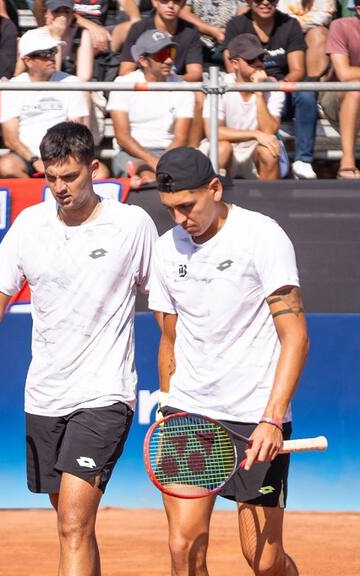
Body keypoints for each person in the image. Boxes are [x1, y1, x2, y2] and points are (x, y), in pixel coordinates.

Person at [0, 121, 156, 575]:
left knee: (74, 524)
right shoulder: (30, 224)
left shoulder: (131, 224)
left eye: (70, 177)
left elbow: (164, 306)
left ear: (94, 169)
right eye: (51, 177)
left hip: (104, 394)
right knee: (71, 525)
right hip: (44, 396)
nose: (59, 188)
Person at [149, 146, 309, 576]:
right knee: (184, 548)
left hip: (254, 416)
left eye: (188, 205)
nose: (181, 219)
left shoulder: (262, 235)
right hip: (189, 415)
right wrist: (167, 403)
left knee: (263, 560)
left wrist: (272, 418)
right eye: (170, 209)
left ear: (215, 188)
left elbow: (295, 337)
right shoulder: (165, 251)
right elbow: (170, 338)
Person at [224, 0, 318, 180]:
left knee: (306, 93)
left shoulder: (290, 24)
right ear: (249, 1)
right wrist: (257, 86)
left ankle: (303, 161)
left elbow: (298, 70)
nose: (266, 2)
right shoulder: (236, 24)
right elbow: (232, 68)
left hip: (280, 86)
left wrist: (274, 88)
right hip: (247, 87)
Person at [0, 28, 90, 178]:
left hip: (64, 155)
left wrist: (59, 159)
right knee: (7, 166)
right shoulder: (12, 87)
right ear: (28, 60)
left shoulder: (72, 82)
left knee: (100, 173)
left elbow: (77, 131)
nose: (52, 57)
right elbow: (10, 139)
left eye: (53, 51)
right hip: (26, 157)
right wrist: (34, 159)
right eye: (45, 54)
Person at [107, 29, 194, 181]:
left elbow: (180, 138)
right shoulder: (123, 84)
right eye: (161, 55)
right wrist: (153, 161)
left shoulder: (184, 87)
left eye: (171, 53)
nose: (168, 60)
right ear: (143, 61)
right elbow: (123, 137)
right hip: (130, 153)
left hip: (170, 153)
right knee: (149, 176)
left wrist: (163, 163)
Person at [205, 33, 286, 180]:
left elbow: (269, 131)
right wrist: (255, 134)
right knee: (222, 148)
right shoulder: (220, 84)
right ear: (235, 63)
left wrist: (259, 93)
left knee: (269, 151)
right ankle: (216, 198)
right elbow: (213, 132)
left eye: (261, 58)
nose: (259, 64)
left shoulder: (272, 86)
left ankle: (270, 200)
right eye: (251, 60)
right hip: (228, 148)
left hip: (254, 149)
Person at [321, 2, 360, 178]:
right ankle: (347, 163)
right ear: (358, 7)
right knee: (354, 90)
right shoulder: (340, 25)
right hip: (335, 95)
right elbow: (344, 74)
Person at [276, 0, 334, 80]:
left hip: (309, 33)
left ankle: (312, 83)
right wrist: (292, 25)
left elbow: (323, 17)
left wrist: (293, 24)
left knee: (319, 33)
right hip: (282, 31)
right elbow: (279, 14)